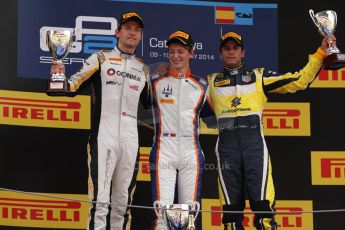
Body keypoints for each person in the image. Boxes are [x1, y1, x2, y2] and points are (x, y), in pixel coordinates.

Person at [206, 31, 334, 230]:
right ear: (220, 54)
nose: (231, 52)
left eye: (235, 48)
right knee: (231, 216)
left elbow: (299, 80)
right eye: (226, 49)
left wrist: (320, 54)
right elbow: (183, 90)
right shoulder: (210, 82)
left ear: (243, 52)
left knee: (264, 212)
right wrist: (163, 70)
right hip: (226, 149)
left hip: (254, 148)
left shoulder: (259, 77)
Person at [51, 12, 149, 230]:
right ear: (118, 32)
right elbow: (73, 86)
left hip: (131, 141)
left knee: (123, 202)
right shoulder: (101, 58)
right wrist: (58, 77)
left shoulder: (143, 69)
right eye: (128, 28)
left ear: (141, 35)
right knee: (101, 200)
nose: (132, 32)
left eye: (137, 29)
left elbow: (153, 104)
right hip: (103, 137)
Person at [149, 30, 209, 230]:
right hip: (163, 149)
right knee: (161, 212)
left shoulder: (202, 86)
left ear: (191, 53)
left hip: (190, 150)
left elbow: (217, 118)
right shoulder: (155, 81)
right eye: (172, 51)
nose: (175, 56)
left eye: (181, 51)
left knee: (189, 215)